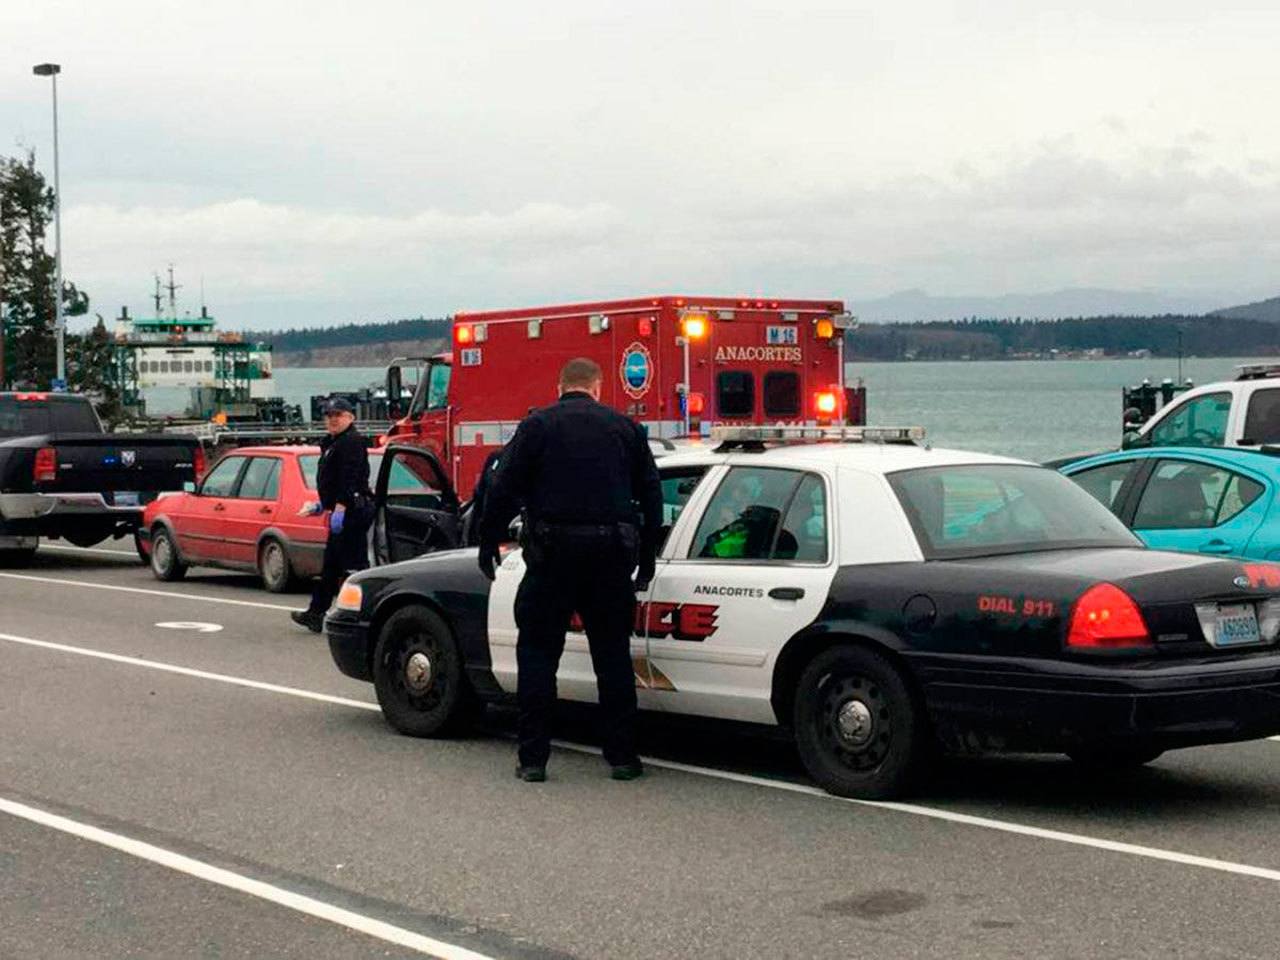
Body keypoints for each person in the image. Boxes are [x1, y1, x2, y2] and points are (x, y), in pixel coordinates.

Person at [479, 357, 662, 783]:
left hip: (552, 555)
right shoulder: (625, 429)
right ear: (598, 387)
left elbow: (502, 487)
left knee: (539, 655)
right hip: (609, 557)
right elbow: (651, 495)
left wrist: (488, 539)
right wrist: (648, 558)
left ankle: (533, 760)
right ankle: (622, 757)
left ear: (560, 386)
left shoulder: (538, 426)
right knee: (613, 658)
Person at [291, 398, 372, 633]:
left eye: (338, 415)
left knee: (353, 567)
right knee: (332, 566)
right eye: (328, 415)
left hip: (351, 511)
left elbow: (350, 477)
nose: (332, 419)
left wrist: (340, 507)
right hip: (341, 508)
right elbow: (333, 480)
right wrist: (321, 505)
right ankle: (317, 613)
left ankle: (360, 614)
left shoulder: (352, 442)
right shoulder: (334, 442)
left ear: (350, 417)